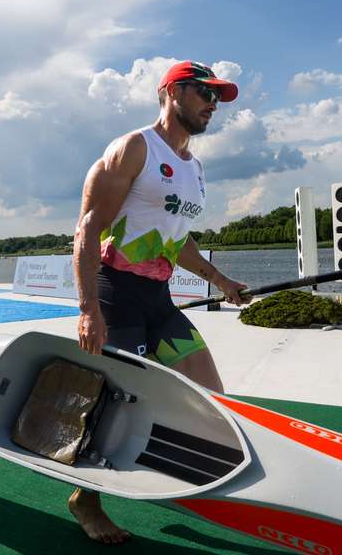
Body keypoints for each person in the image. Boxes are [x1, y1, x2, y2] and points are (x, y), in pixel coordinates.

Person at [70, 61, 251, 543]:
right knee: (115, 406)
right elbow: (88, 229)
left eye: (217, 97)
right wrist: (89, 309)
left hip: (158, 298)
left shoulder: (194, 168)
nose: (213, 105)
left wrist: (221, 280)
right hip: (116, 295)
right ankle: (86, 500)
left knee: (214, 397)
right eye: (203, 93)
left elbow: (177, 240)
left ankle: (202, 479)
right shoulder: (133, 148)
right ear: (171, 92)